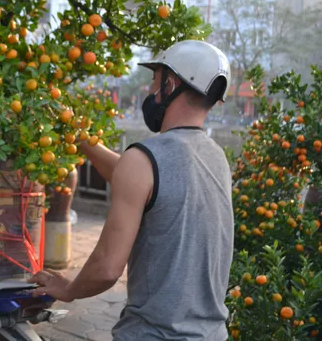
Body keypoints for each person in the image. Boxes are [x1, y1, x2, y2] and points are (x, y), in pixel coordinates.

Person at [30, 40, 234, 341]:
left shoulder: (144, 159)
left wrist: (68, 290)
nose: (149, 93)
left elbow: (106, 269)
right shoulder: (217, 157)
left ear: (171, 84)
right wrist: (81, 138)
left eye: (153, 83)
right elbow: (146, 182)